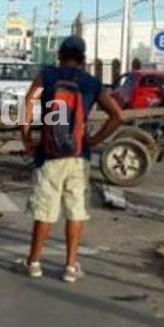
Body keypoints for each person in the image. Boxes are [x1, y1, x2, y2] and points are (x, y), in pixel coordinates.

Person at [17, 36, 124, 283]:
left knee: (45, 209)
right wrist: (94, 141)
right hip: (78, 155)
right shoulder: (92, 83)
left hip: (49, 155)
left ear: (60, 56)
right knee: (76, 210)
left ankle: (33, 262)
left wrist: (26, 137)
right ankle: (71, 266)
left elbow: (29, 101)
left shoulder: (48, 75)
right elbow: (117, 115)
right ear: (84, 59)